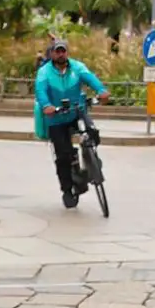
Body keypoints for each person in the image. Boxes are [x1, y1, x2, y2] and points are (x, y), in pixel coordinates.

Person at [34, 39, 109, 207]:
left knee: (92, 132)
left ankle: (92, 160)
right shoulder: (44, 72)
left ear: (67, 52)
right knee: (63, 156)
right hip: (56, 117)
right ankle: (67, 189)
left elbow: (90, 78)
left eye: (63, 51)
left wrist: (101, 91)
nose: (61, 54)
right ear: (52, 53)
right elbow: (40, 89)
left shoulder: (77, 67)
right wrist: (47, 105)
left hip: (77, 111)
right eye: (57, 51)